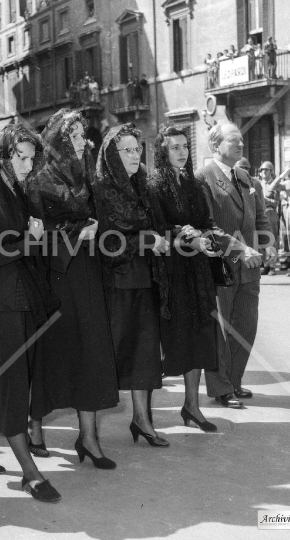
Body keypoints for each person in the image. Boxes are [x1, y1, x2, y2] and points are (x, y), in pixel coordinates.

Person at [0, 124, 62, 502]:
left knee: (4, 378)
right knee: (13, 384)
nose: (28, 163)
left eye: (32, 157)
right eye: (20, 157)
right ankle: (30, 473)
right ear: (2, 157)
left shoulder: (19, 193)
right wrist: (29, 239)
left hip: (22, 299)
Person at [27, 109, 119, 468]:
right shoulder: (40, 180)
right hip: (57, 279)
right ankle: (34, 428)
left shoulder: (86, 177)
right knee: (51, 357)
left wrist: (97, 228)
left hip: (88, 274)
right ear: (61, 141)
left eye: (84, 136)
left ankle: (90, 438)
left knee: (91, 354)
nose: (84, 142)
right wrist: (78, 233)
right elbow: (34, 236)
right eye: (77, 137)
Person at [92, 123, 171, 446]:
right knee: (107, 356)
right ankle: (90, 432)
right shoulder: (99, 190)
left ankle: (142, 421)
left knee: (145, 355)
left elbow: (158, 228)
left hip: (145, 281)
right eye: (127, 150)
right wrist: (145, 239)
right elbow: (106, 243)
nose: (135, 155)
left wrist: (160, 239)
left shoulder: (143, 186)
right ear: (112, 154)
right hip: (113, 284)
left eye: (137, 149)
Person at [148, 124, 228, 432]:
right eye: (174, 148)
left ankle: (192, 406)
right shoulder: (154, 185)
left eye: (184, 146)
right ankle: (148, 415)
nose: (181, 152)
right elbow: (157, 229)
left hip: (198, 271)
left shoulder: (196, 185)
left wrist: (208, 236)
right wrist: (185, 237)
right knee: (174, 339)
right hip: (171, 273)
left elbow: (207, 221)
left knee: (199, 336)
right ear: (162, 152)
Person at [195, 122, 274, 408]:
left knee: (246, 326)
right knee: (221, 329)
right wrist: (240, 249)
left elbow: (261, 217)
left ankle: (235, 382)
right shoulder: (203, 178)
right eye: (234, 141)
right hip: (222, 266)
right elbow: (207, 226)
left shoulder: (248, 179)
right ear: (216, 145)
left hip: (250, 269)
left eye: (241, 140)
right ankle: (221, 388)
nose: (241, 145)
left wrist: (269, 243)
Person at [258, 161, 279, 275]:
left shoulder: (274, 185)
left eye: (266, 170)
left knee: (272, 239)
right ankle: (265, 264)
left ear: (271, 171)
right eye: (262, 170)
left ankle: (272, 266)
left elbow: (276, 203)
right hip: (260, 213)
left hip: (270, 213)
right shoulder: (258, 184)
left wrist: (265, 200)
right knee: (262, 239)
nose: (264, 172)